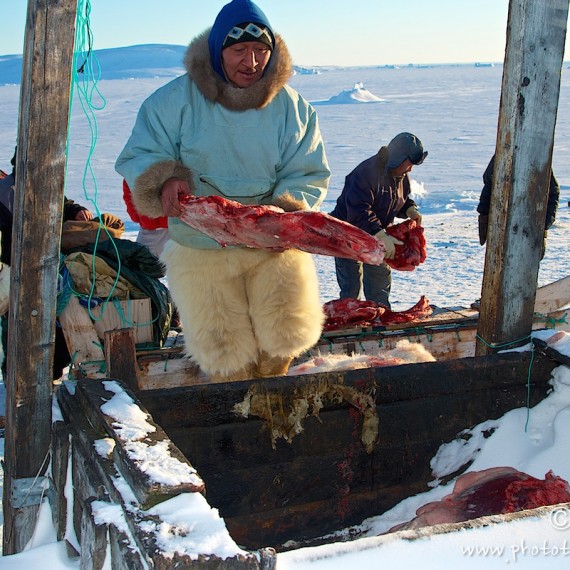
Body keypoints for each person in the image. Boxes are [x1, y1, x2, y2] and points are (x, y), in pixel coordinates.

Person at [115, 0, 330, 382]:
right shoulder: (173, 102)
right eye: (239, 51)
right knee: (224, 354)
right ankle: (234, 423)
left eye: (261, 51)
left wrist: (283, 212)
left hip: (272, 246)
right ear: (217, 52)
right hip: (201, 247)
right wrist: (165, 179)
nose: (252, 62)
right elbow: (142, 152)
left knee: (281, 344)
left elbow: (307, 171)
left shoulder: (294, 109)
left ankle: (274, 420)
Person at [330, 132, 427, 308]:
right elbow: (358, 210)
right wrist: (379, 235)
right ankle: (349, 322)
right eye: (409, 163)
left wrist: (409, 208)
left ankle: (379, 319)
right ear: (398, 158)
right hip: (348, 233)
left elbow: (398, 198)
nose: (411, 169)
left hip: (377, 233)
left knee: (379, 281)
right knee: (351, 286)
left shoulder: (401, 175)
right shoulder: (366, 173)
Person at [477, 154, 560, 257]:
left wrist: (545, 224)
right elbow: (489, 184)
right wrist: (483, 215)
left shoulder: (538, 155)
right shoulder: (503, 153)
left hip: (529, 228)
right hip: (501, 224)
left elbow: (553, 192)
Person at [122, 179, 169, 259]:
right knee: (142, 262)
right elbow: (128, 195)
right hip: (147, 230)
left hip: (171, 229)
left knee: (173, 265)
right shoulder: (134, 171)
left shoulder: (170, 170)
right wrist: (136, 216)